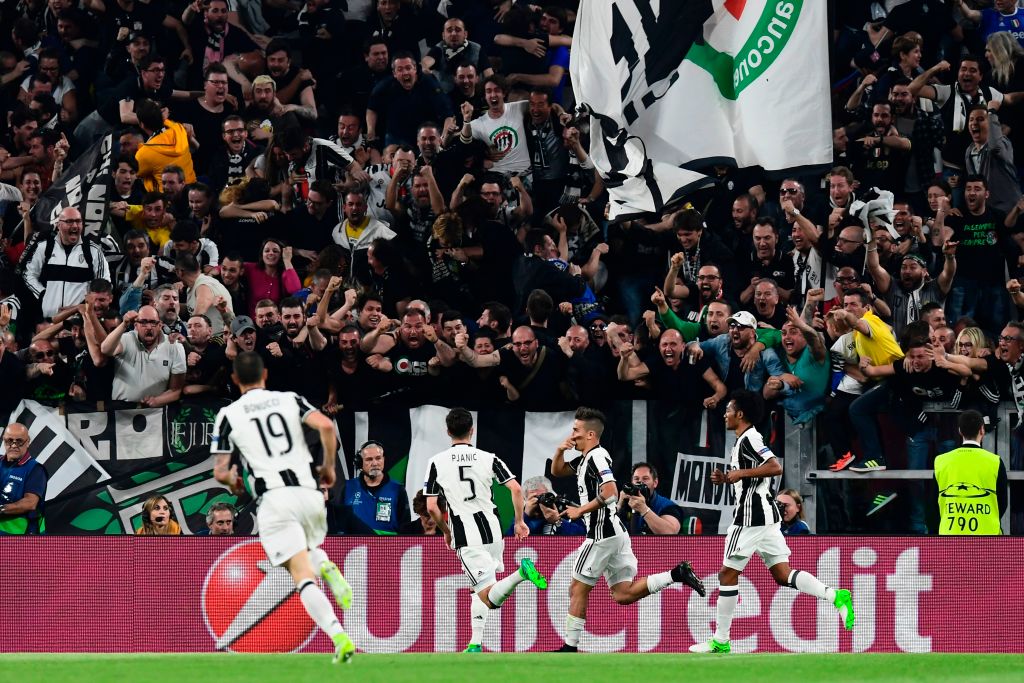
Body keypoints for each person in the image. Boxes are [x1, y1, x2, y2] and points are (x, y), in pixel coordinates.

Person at [211, 351, 356, 663]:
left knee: (301, 575)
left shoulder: (228, 415)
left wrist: (235, 484)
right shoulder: (290, 399)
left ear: (235, 379)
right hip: (309, 493)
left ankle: (339, 636)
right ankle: (324, 563)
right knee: (310, 550)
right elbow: (326, 426)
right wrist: (329, 468)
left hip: (275, 500)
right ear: (265, 375)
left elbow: (221, 472)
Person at [690, 390, 853, 654]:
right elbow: (753, 476)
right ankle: (835, 596)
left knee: (727, 574)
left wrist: (741, 473)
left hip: (750, 517)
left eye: (728, 410)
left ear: (740, 414)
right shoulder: (745, 439)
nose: (725, 414)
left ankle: (720, 640)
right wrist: (729, 478)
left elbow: (775, 467)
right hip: (765, 516)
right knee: (782, 574)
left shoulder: (749, 439)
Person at [550, 407, 705, 653]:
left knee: (577, 588)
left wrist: (580, 510)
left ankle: (570, 647)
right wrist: (560, 450)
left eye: (576, 430)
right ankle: (676, 574)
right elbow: (557, 471)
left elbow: (611, 492)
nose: (573, 435)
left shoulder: (597, 457)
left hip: (601, 533)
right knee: (623, 594)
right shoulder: (585, 459)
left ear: (590, 434)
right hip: (615, 533)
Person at [422, 407, 549, 653]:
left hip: (466, 534)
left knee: (488, 597)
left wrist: (446, 531)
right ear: (472, 430)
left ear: (448, 432)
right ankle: (475, 643)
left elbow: (431, 507)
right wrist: (519, 521)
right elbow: (516, 489)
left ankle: (521, 573)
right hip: (493, 531)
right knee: (477, 587)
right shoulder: (488, 458)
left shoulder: (436, 462)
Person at [934, 409, 1007, 535]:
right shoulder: (995, 461)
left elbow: (934, 502)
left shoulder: (941, 461)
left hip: (950, 536)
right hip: (988, 536)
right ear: (982, 430)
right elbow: (1003, 502)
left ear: (960, 431)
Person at [334, 440, 410, 535]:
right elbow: (337, 523)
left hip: (388, 544)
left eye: (378, 458)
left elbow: (406, 528)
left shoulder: (398, 490)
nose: (375, 463)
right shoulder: (347, 487)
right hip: (356, 544)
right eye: (369, 459)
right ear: (360, 463)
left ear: (384, 459)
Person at [0, 423, 47, 535]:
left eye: (19, 441)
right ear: (3, 440)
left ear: (28, 442)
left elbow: (30, 503)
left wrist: (1, 509)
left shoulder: (36, 469)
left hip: (21, 538)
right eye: (9, 441)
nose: (14, 445)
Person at [617, 463, 688, 536]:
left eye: (645, 479)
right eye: (636, 479)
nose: (640, 482)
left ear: (655, 483)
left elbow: (670, 533)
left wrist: (644, 510)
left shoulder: (668, 506)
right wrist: (619, 506)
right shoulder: (626, 503)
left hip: (655, 544)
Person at [510, 475, 586, 536]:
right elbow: (509, 541)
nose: (540, 501)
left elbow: (583, 536)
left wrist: (558, 521)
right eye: (535, 497)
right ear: (526, 499)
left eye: (543, 496)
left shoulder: (563, 510)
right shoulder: (521, 516)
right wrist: (526, 516)